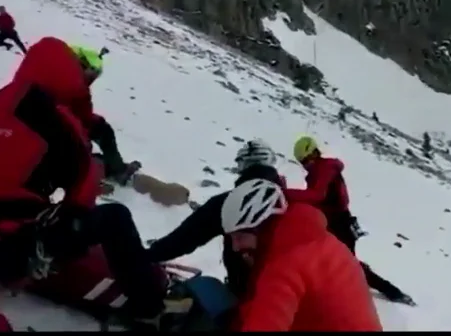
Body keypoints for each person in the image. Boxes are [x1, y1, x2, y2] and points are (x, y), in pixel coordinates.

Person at [0, 37, 188, 332]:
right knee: (114, 218)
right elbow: (83, 190)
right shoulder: (56, 116)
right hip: (11, 236)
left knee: (13, 220)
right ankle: (150, 308)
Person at [222, 178, 383, 331]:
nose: (235, 247)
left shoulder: (284, 264)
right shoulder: (311, 235)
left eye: (240, 237)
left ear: (261, 227)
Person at [286, 135, 415, 305]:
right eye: (303, 162)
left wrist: (285, 193)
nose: (306, 165)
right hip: (333, 222)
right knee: (332, 259)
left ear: (314, 153)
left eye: (307, 160)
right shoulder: (319, 171)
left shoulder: (325, 169)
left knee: (349, 265)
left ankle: (391, 292)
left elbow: (316, 195)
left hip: (339, 224)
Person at [148, 139, 283, 299]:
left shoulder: (230, 203)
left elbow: (185, 237)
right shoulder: (295, 204)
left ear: (243, 166)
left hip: (246, 298)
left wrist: (148, 256)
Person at [12, 41, 138, 185]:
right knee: (100, 135)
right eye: (91, 76)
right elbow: (82, 121)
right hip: (50, 138)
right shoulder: (76, 88)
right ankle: (113, 170)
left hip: (18, 124)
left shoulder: (36, 68)